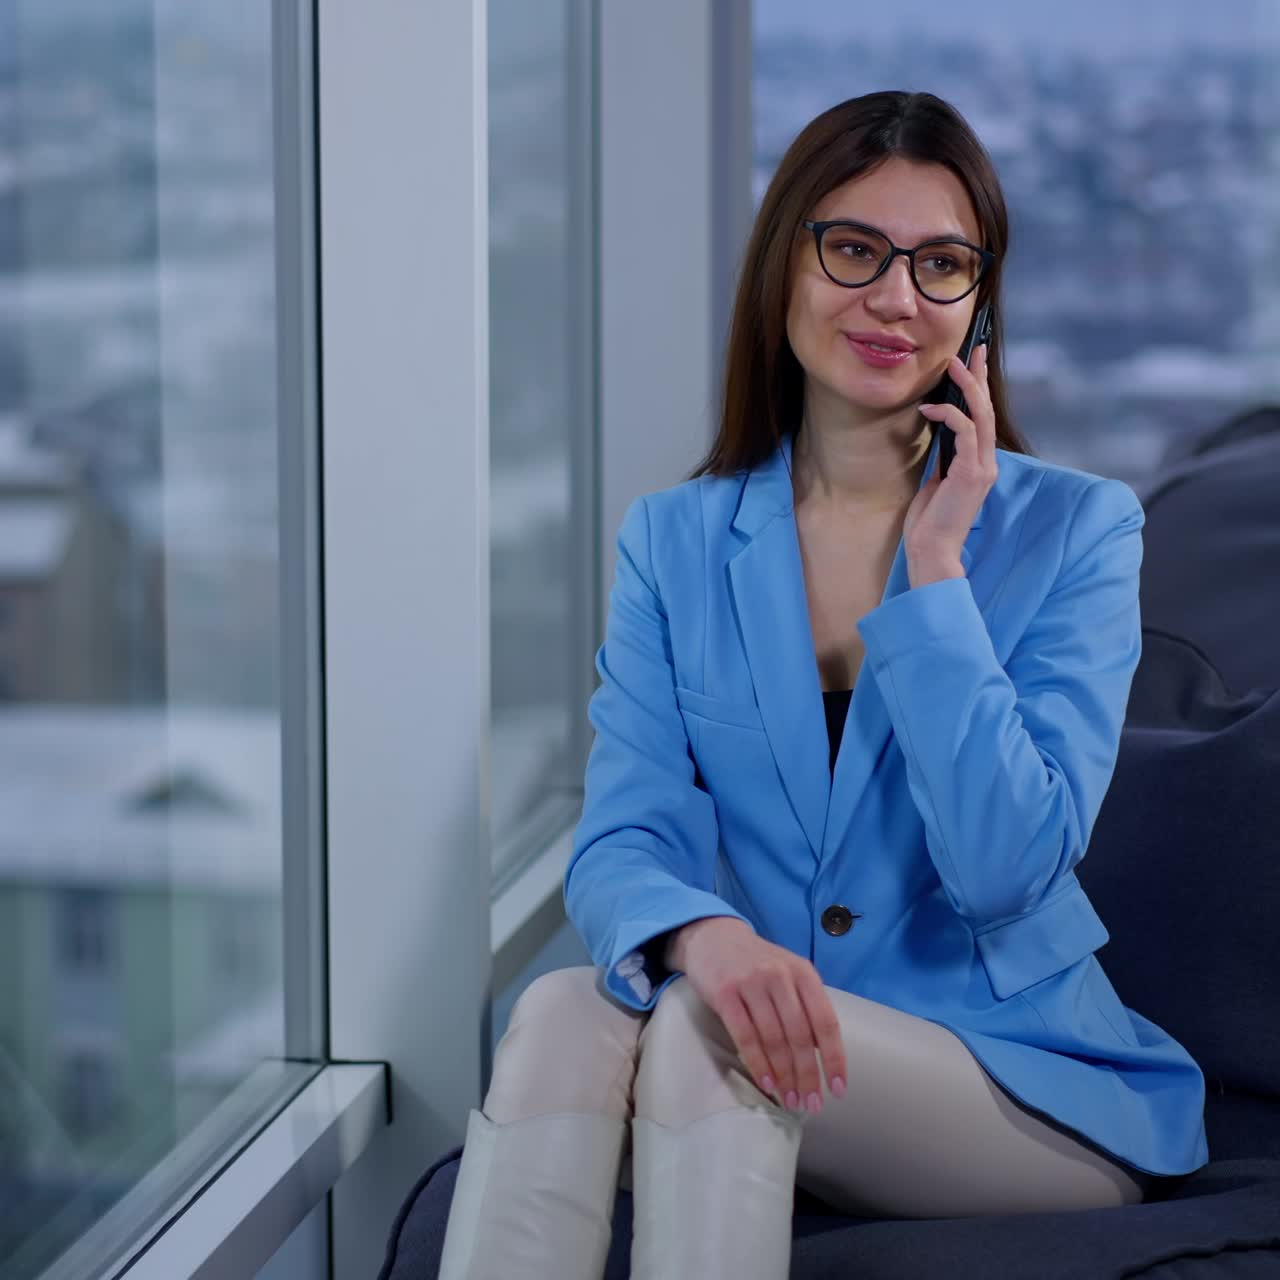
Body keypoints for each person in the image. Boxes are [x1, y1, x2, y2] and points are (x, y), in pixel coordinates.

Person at [436, 89, 1209, 1280]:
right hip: (762, 1035)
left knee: (708, 1032)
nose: (895, 297)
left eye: (939, 263)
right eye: (854, 248)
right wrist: (703, 932)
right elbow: (622, 832)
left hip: (1016, 1078)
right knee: (553, 1012)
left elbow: (1015, 863)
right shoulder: (675, 540)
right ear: (782, 265)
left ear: (977, 305)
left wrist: (937, 572)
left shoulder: (1078, 529)